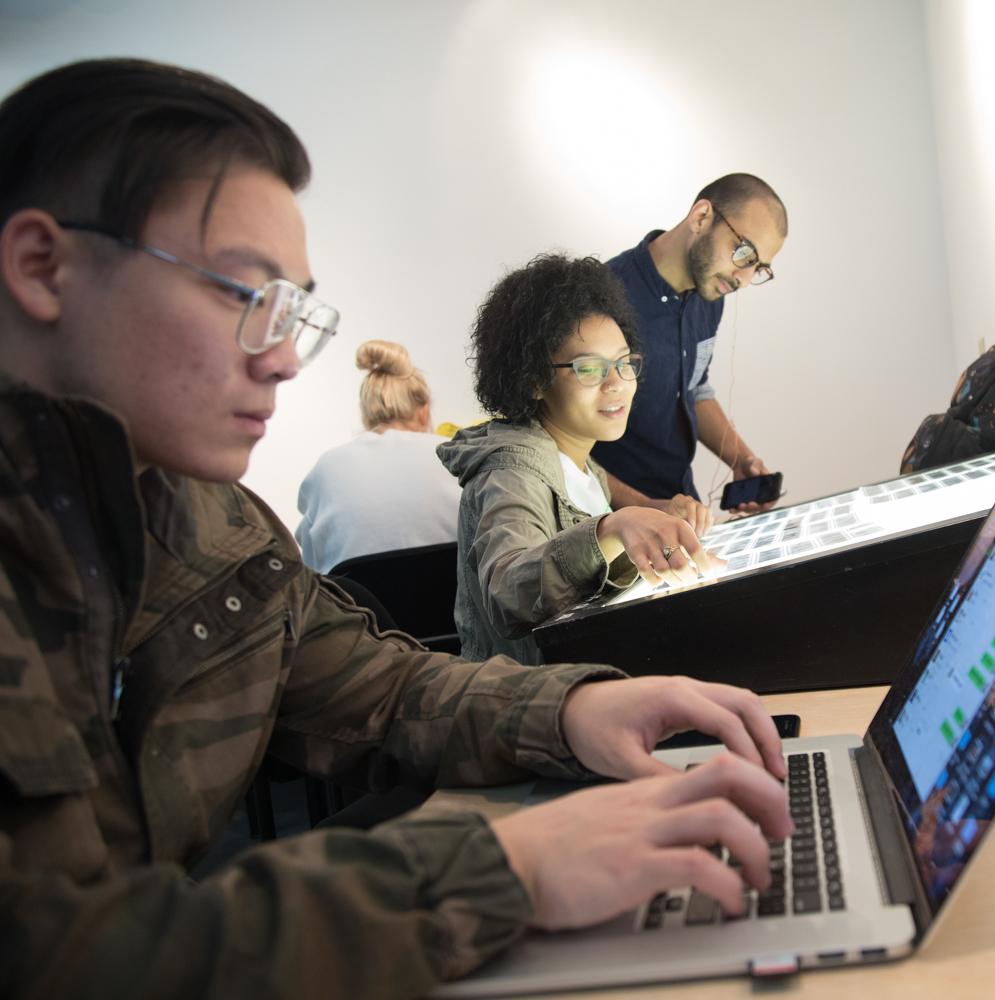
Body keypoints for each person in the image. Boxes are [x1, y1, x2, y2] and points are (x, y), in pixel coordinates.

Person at [0, 58, 792, 1000]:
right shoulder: (512, 465)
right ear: (43, 268)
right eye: (243, 295)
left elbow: (385, 681)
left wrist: (574, 708)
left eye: (297, 311)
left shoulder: (214, 528)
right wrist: (504, 866)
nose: (287, 359)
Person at [439, 254, 717, 665]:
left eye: (625, 364)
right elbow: (508, 593)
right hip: (533, 710)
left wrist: (653, 513)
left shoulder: (582, 463)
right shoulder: (512, 472)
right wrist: (612, 527)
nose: (617, 384)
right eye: (589, 369)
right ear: (533, 379)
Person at [593, 174, 787, 514]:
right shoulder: (602, 298)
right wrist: (648, 509)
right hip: (612, 523)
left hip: (681, 507)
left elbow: (693, 389)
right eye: (744, 253)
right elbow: (560, 448)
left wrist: (740, 460)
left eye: (758, 268)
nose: (743, 279)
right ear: (701, 217)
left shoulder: (712, 294)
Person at [295, 339, 462, 572]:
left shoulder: (329, 466)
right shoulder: (456, 455)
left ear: (366, 412)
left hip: (356, 606)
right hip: (453, 605)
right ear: (423, 409)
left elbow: (313, 563)